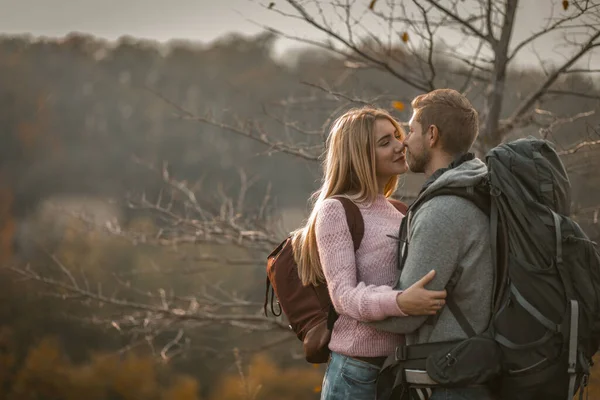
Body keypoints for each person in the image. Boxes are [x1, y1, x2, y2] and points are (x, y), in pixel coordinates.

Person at [291, 107, 448, 400]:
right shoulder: (336, 210)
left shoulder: (400, 211)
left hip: (401, 369)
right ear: (359, 155)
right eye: (385, 142)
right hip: (356, 373)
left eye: (398, 137)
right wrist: (401, 302)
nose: (400, 145)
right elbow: (344, 297)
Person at [370, 89, 495, 400]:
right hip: (462, 374)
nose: (404, 142)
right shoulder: (473, 189)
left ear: (432, 135)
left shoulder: (443, 212)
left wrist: (345, 300)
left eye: (411, 130)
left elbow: (408, 316)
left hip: (448, 383)